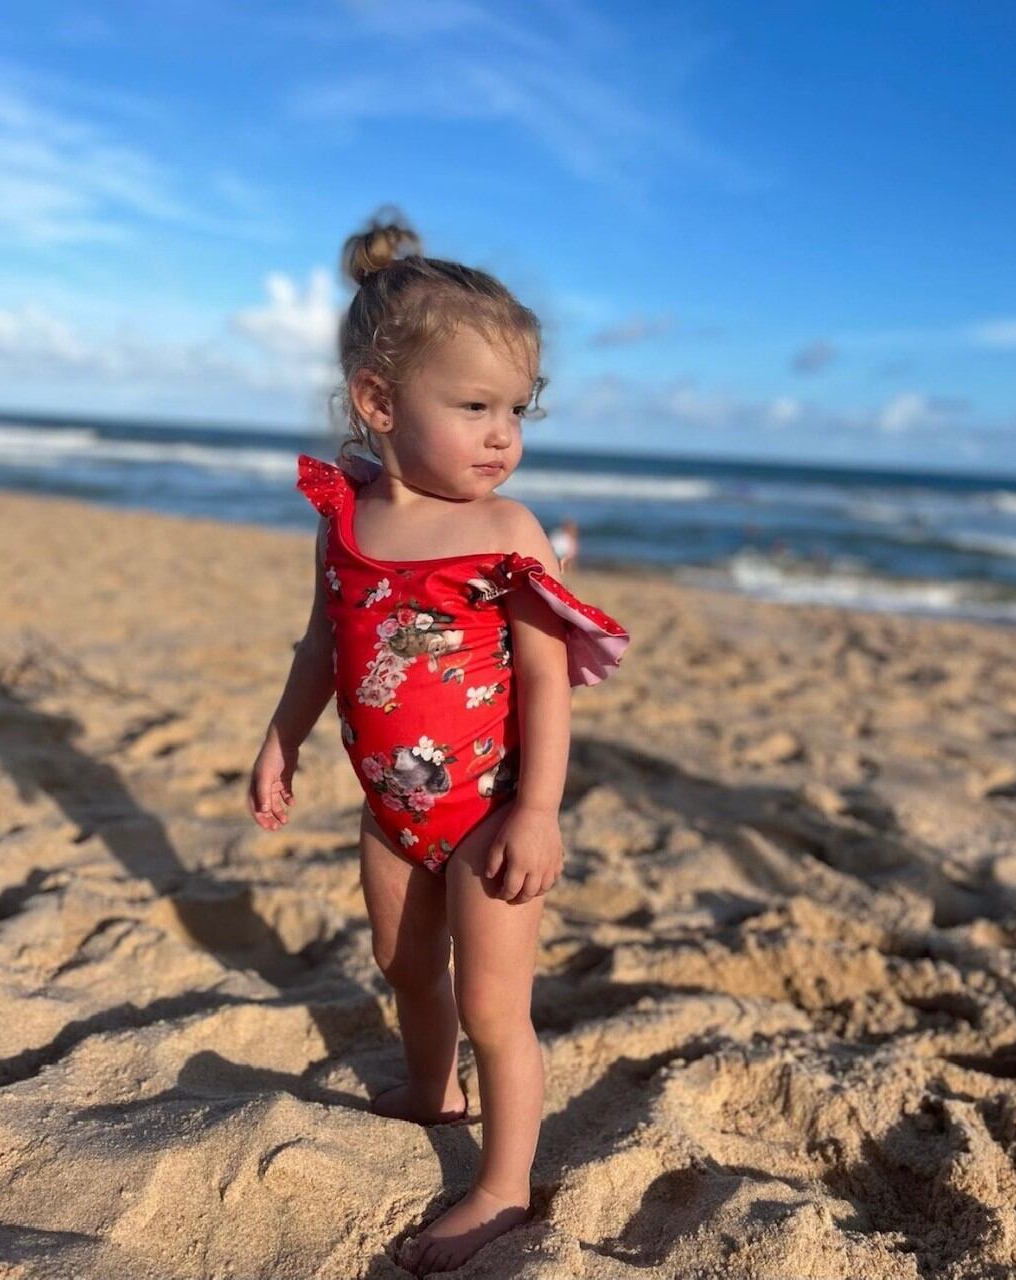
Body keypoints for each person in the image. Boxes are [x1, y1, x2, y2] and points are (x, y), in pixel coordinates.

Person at [247, 209, 629, 1276]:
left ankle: (502, 1183)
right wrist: (281, 740)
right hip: (389, 813)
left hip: (488, 816)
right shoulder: (348, 517)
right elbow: (325, 642)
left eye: (518, 408)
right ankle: (429, 1087)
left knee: (496, 1005)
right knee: (405, 968)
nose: (504, 434)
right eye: (474, 406)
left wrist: (540, 808)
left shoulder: (507, 530)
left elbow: (548, 680)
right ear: (379, 402)